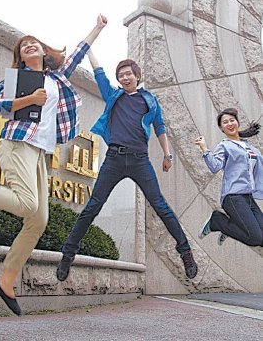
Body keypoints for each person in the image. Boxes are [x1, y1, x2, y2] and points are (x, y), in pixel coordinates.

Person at [0, 14, 108, 316]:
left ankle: (6, 281)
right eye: (24, 45)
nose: (29, 45)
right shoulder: (15, 81)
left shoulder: (56, 78)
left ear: (44, 52)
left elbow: (78, 53)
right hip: (18, 142)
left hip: (40, 152)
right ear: (20, 56)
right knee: (27, 203)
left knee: (38, 220)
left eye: (34, 43)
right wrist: (29, 99)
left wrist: (97, 27)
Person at [56, 51, 198, 281]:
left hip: (139, 160)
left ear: (137, 76)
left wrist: (167, 155)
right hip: (114, 159)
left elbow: (160, 127)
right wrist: (90, 51)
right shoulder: (114, 96)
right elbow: (99, 74)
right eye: (121, 75)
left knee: (160, 205)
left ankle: (185, 251)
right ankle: (68, 253)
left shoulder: (149, 100)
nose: (124, 77)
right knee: (93, 206)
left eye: (128, 74)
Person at [195, 108, 263, 248]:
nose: (230, 124)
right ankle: (217, 221)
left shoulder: (249, 147)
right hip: (233, 197)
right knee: (255, 238)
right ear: (221, 128)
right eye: (225, 122)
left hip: (248, 197)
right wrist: (205, 149)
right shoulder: (225, 146)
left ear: (237, 122)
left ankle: (231, 228)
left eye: (232, 120)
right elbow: (215, 166)